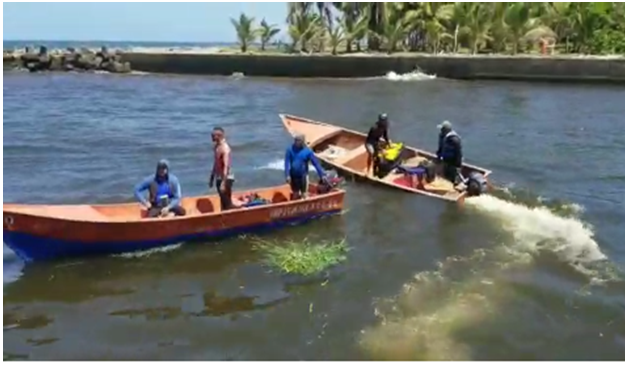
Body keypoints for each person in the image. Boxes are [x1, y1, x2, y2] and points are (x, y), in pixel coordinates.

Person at [284, 134, 327, 199]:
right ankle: (296, 205)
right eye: (295, 140)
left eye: (298, 141)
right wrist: (287, 175)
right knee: (295, 193)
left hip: (303, 176)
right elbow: (287, 163)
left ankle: (304, 202)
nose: (296, 142)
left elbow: (316, 163)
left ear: (302, 142)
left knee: (304, 194)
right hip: (293, 175)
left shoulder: (308, 151)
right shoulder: (290, 150)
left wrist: (322, 175)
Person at [209, 126, 235, 211]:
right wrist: (212, 177)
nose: (211, 137)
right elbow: (216, 164)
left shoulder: (224, 148)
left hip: (226, 177)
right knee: (223, 201)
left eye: (213, 135)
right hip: (219, 177)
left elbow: (226, 166)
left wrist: (223, 182)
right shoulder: (217, 147)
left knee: (226, 202)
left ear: (219, 136)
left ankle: (232, 219)